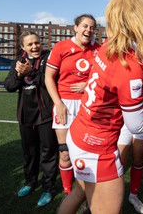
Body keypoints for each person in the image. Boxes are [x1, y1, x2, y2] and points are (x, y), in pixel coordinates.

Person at [59, 0, 143, 214]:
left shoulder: (109, 47)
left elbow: (117, 89)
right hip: (97, 147)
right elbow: (136, 125)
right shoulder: (130, 64)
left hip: (80, 135)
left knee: (79, 193)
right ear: (141, 19)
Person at [45, 14, 100, 198]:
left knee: (87, 151)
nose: (88, 30)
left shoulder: (98, 49)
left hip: (89, 104)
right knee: (65, 152)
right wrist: (58, 103)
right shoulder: (61, 47)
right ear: (75, 28)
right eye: (85, 26)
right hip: (65, 104)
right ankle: (68, 191)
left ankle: (84, 190)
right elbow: (48, 77)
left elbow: (104, 76)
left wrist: (88, 84)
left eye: (92, 27)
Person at [4, 31, 59, 206]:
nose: (35, 46)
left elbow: (51, 81)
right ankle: (30, 182)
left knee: (48, 153)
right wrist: (19, 75)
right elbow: (9, 86)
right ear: (23, 47)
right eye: (30, 44)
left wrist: (32, 71)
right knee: (29, 153)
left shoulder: (49, 57)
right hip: (25, 115)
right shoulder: (17, 62)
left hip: (46, 114)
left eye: (37, 43)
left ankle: (48, 188)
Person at [117, 60, 143, 214]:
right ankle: (116, 196)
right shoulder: (123, 63)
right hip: (124, 117)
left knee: (137, 159)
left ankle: (133, 196)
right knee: (119, 161)